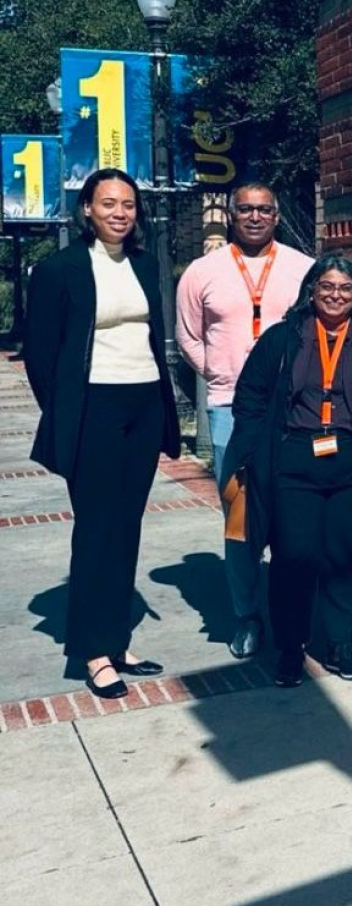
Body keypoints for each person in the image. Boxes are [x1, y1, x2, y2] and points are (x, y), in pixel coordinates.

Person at [24, 168, 181, 699]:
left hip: (143, 404)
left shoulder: (143, 263)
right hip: (94, 407)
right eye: (108, 203)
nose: (120, 212)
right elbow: (42, 356)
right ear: (87, 207)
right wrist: (68, 412)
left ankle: (116, 639)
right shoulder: (59, 269)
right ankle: (92, 650)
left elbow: (153, 337)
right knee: (96, 528)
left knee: (126, 526)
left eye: (129, 204)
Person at [227, 255, 352, 687]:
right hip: (292, 471)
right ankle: (291, 650)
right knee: (294, 559)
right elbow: (249, 396)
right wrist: (252, 452)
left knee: (343, 561)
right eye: (326, 287)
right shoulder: (283, 338)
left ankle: (338, 645)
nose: (335, 296)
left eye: (345, 289)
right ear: (311, 290)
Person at [177, 182, 313, 658]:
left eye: (264, 210)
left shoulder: (302, 267)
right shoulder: (203, 271)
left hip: (294, 410)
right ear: (232, 215)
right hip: (229, 408)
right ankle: (248, 616)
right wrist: (217, 372)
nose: (255, 217)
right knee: (240, 519)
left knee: (295, 513)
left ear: (277, 216)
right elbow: (189, 335)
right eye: (246, 210)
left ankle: (293, 612)